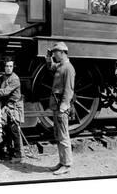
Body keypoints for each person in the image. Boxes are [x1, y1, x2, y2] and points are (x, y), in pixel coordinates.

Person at [45, 42, 75, 175]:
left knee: (63, 136)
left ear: (62, 52)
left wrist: (63, 108)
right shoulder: (61, 66)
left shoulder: (68, 68)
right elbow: (51, 67)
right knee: (58, 135)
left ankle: (67, 164)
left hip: (61, 107)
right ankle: (62, 162)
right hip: (56, 106)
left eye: (55, 53)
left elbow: (69, 91)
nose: (54, 55)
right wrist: (48, 58)